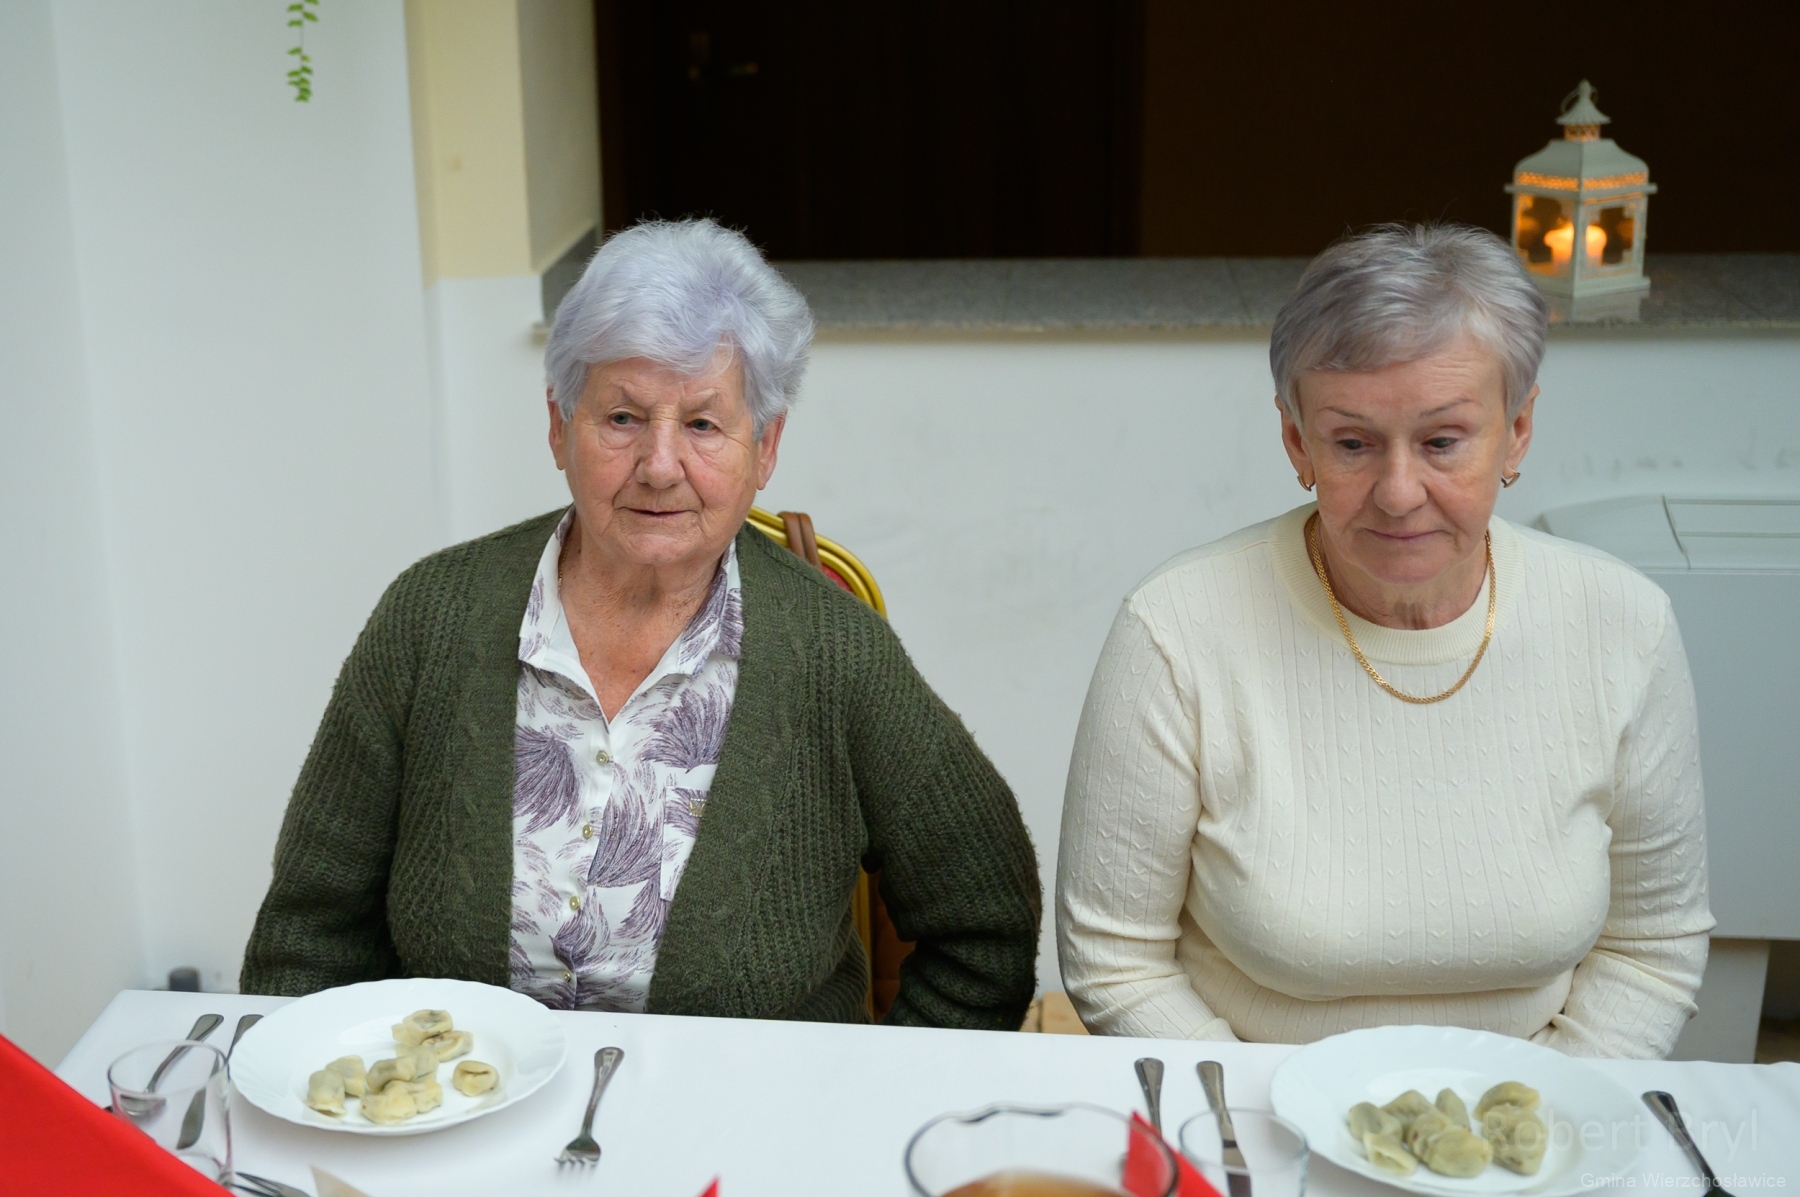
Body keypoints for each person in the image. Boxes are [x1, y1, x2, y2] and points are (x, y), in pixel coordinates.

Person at [242, 219, 1040, 1029]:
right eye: (622, 418)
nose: (660, 466)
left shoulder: (836, 653)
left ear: (765, 448)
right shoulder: (430, 619)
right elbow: (309, 935)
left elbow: (986, 922)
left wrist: (869, 1091)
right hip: (464, 1098)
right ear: (560, 426)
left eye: (702, 424)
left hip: (746, 1107)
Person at [1056, 224, 1712, 1057]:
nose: (1399, 493)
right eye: (1353, 443)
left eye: (1442, 441)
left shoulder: (1625, 625)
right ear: (1298, 441)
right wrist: (1264, 1110)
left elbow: (1651, 947)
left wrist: (1541, 1111)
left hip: (1538, 1114)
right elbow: (1115, 962)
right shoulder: (1175, 630)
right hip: (1255, 1104)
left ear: (1517, 429)